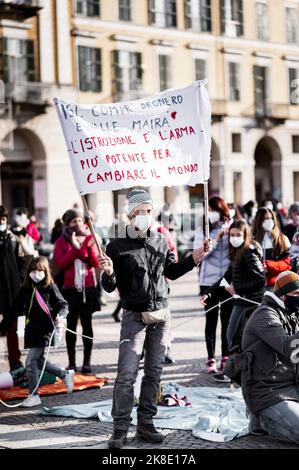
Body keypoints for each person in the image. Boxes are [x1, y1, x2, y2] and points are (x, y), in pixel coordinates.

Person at [100, 189, 212, 449]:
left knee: (154, 372)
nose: (144, 216)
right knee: (126, 374)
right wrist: (107, 273)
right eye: (139, 212)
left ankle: (146, 423)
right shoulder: (115, 245)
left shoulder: (161, 240)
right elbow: (109, 286)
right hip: (134, 315)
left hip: (161, 313)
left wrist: (195, 256)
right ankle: (119, 429)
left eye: (148, 211)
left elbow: (171, 271)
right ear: (130, 214)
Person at [0, 256, 74, 407]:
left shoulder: (50, 287)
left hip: (45, 330)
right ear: (28, 272)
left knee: (30, 361)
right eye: (33, 270)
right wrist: (2, 328)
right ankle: (65, 375)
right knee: (39, 361)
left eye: (40, 270)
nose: (36, 273)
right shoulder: (25, 289)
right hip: (31, 331)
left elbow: (63, 304)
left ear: (46, 271)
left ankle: (34, 395)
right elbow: (13, 311)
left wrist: (61, 316)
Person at [241, 271, 299, 444]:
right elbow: (287, 346)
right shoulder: (264, 314)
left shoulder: (291, 312)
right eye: (296, 294)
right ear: (282, 295)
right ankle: (262, 420)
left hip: (291, 383)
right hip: (269, 391)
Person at [202, 220, 265, 369]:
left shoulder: (249, 252)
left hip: (249, 301)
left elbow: (260, 279)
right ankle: (238, 371)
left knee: (233, 336)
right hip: (241, 300)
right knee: (235, 337)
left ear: (245, 235)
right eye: (232, 235)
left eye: (238, 235)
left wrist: (237, 288)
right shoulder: (238, 252)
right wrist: (209, 293)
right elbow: (227, 276)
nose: (234, 237)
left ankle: (238, 371)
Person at [54, 208, 100, 373]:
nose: (78, 224)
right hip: (70, 290)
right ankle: (72, 362)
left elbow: (94, 263)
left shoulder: (90, 238)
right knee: (71, 326)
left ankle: (87, 361)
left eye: (80, 220)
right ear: (67, 224)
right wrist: (75, 249)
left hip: (87, 288)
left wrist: (87, 247)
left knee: (87, 326)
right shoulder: (61, 241)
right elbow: (60, 263)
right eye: (74, 221)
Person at [195, 196, 232, 375]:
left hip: (226, 280)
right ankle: (211, 358)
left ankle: (226, 356)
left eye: (215, 209)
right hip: (207, 281)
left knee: (227, 319)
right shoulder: (203, 229)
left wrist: (230, 233)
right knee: (211, 321)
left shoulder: (231, 226)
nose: (212, 213)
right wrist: (216, 238)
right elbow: (201, 255)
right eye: (209, 210)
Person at [0, 205, 23, 371]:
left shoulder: (14, 239)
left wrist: (20, 280)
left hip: (12, 291)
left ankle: (15, 361)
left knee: (12, 329)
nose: (1, 222)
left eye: (3, 219)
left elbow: (22, 263)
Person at [252, 207, 291, 290]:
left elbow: (287, 264)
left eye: (271, 218)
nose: (269, 221)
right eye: (265, 219)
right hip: (256, 286)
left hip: (276, 285)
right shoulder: (252, 241)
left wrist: (268, 265)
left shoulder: (282, 239)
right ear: (259, 221)